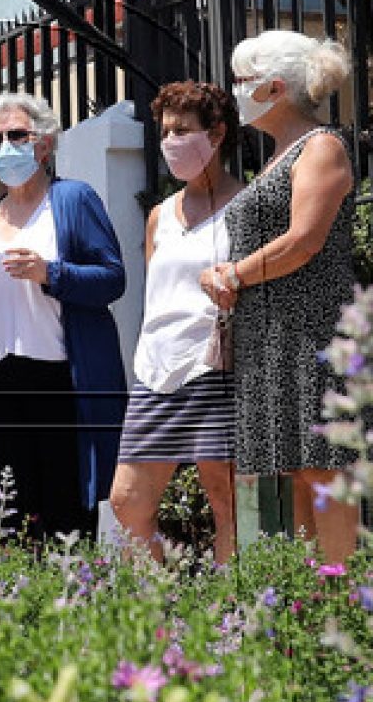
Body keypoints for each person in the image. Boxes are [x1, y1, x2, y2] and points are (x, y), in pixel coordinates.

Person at [0, 92, 127, 542]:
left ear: (43, 144)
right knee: (0, 511)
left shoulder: (72, 199)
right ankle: (10, 606)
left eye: (16, 135)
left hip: (56, 377)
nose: (5, 146)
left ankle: (69, 606)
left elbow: (112, 279)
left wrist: (51, 272)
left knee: (62, 508)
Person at [200, 30, 357, 565]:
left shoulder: (322, 146)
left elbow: (303, 240)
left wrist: (233, 275)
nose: (235, 90)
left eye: (243, 79)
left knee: (324, 468)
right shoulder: (277, 158)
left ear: (275, 88)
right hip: (270, 337)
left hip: (311, 334)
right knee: (295, 471)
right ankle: (312, 611)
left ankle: (347, 611)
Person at [110, 81, 242, 564]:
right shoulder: (160, 215)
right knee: (127, 502)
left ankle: (237, 624)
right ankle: (156, 624)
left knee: (226, 502)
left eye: (183, 130)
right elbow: (155, 294)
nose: (171, 141)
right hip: (156, 371)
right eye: (165, 131)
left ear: (218, 133)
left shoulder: (244, 206)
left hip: (215, 366)